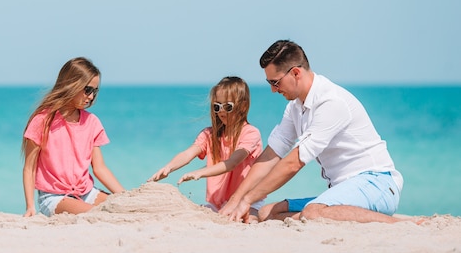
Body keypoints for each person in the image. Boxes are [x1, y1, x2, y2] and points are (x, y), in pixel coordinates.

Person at [219, 40, 405, 224]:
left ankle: (401, 225)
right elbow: (271, 154)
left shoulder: (330, 102)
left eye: (275, 82)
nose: (273, 90)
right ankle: (342, 215)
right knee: (267, 212)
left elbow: (294, 163)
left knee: (313, 213)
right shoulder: (295, 107)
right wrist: (236, 200)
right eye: (269, 82)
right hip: (344, 190)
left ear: (296, 73)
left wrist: (248, 199)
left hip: (377, 184)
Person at [21, 57, 124, 217]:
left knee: (124, 209)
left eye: (95, 91)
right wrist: (30, 206)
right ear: (71, 84)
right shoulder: (42, 121)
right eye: (87, 90)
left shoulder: (92, 122)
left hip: (87, 192)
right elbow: (29, 168)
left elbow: (99, 168)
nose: (91, 97)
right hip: (54, 197)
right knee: (99, 215)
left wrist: (127, 197)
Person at [148, 76, 264, 216]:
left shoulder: (250, 133)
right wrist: (169, 167)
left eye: (227, 106)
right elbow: (188, 154)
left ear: (243, 106)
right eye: (217, 106)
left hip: (246, 199)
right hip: (218, 203)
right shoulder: (209, 134)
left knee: (251, 219)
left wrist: (199, 172)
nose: (221, 111)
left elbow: (232, 162)